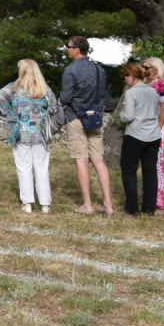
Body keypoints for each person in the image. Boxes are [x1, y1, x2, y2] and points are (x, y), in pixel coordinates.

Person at [0, 59, 57, 214]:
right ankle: (45, 204)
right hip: (41, 134)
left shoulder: (13, 87)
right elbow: (55, 107)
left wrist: (11, 115)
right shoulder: (44, 88)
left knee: (23, 168)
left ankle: (27, 203)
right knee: (42, 168)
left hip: (20, 132)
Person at [60, 36, 114, 215]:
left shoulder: (70, 70)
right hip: (94, 117)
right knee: (98, 160)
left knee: (81, 159)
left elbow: (66, 97)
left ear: (77, 49)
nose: (67, 49)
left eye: (68, 47)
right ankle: (108, 204)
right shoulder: (99, 69)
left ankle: (87, 205)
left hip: (76, 117)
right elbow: (102, 95)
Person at [118, 62, 162, 215]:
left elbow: (129, 116)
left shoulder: (131, 92)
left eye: (125, 77)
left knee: (129, 170)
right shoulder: (152, 90)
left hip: (136, 135)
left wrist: (121, 115)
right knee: (150, 171)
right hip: (154, 135)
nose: (125, 80)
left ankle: (132, 207)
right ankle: (150, 207)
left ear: (131, 76)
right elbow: (157, 112)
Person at [142, 57, 164, 212]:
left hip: (160, 127)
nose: (143, 70)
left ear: (156, 69)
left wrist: (157, 128)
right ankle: (157, 197)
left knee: (161, 161)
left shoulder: (161, 84)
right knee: (154, 161)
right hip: (150, 126)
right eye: (143, 67)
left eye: (146, 67)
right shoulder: (149, 85)